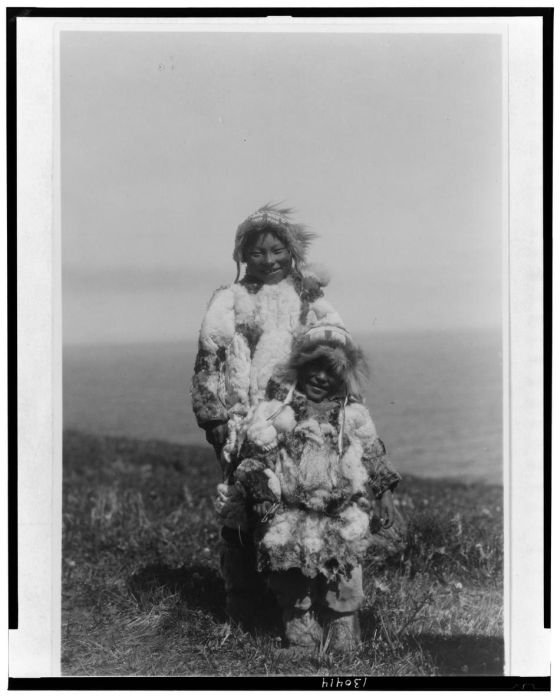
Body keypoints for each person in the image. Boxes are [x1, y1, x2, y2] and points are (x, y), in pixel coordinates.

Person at [191, 204, 343, 624]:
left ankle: (302, 604)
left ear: (292, 252)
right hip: (242, 423)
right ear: (242, 255)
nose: (269, 260)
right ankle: (245, 604)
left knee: (298, 505)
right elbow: (209, 359)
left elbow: (333, 351)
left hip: (298, 420)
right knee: (242, 506)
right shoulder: (229, 299)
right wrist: (214, 416)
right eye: (257, 252)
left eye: (278, 250)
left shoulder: (309, 298)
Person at [221, 324, 402, 651]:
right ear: (299, 368)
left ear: (343, 376)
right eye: (313, 368)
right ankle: (302, 646)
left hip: (339, 513)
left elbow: (372, 452)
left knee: (344, 580)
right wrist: (262, 493)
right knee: (293, 583)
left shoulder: (353, 415)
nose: (320, 377)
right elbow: (252, 458)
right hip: (290, 513)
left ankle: (342, 645)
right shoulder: (276, 413)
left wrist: (385, 491)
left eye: (330, 371)